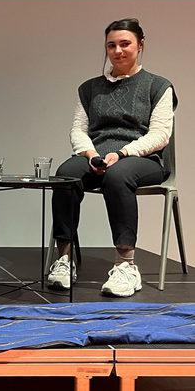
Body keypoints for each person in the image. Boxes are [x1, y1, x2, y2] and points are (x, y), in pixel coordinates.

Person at [48, 18, 177, 297]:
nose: (118, 50)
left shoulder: (159, 86)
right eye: (111, 45)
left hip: (143, 159)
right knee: (64, 174)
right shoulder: (89, 88)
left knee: (118, 176)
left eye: (125, 44)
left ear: (140, 46)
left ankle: (126, 267)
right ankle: (65, 260)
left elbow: (160, 135)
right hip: (98, 154)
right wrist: (92, 155)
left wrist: (122, 153)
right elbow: (78, 130)